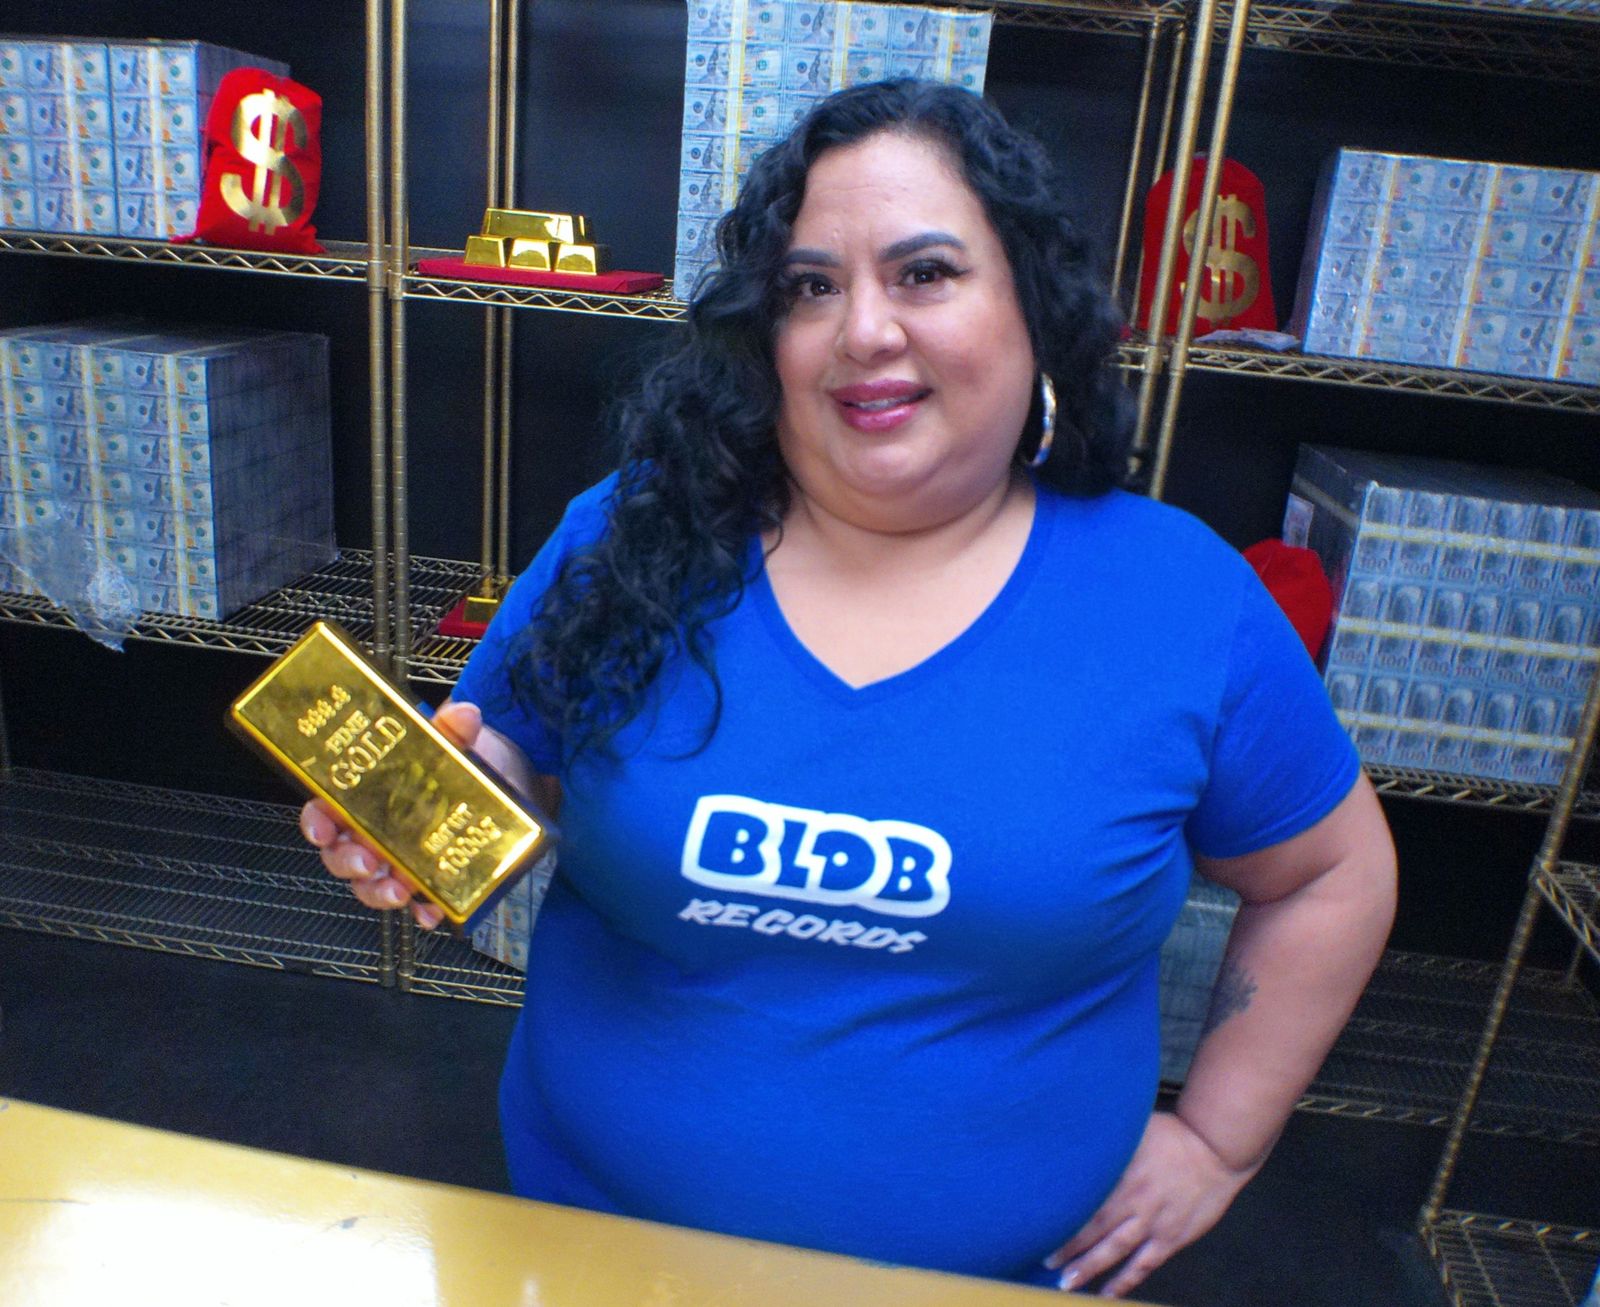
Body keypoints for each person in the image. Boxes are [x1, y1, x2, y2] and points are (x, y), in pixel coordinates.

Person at [302, 79, 1396, 1296]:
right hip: (594, 1249)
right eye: (810, 286)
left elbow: (1330, 872)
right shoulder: (632, 534)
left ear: (1033, 304)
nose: (863, 330)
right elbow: (509, 751)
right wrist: (424, 812)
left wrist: (1218, 1138)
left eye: (925, 273)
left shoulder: (1179, 601)